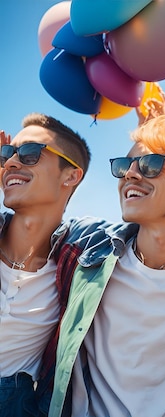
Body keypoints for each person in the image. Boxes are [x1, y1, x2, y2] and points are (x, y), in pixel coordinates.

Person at [46, 111, 165, 417]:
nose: (130, 174)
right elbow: (26, 227)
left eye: (151, 164)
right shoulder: (89, 251)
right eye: (124, 166)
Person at [0, 114, 90, 417]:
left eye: (29, 154)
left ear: (71, 176)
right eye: (6, 154)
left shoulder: (80, 269)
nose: (11, 163)